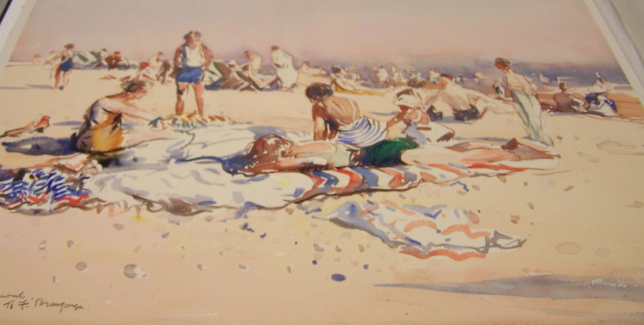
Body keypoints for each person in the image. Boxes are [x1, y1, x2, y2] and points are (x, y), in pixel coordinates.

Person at [235, 133, 556, 176]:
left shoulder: (304, 153)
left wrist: (261, 169)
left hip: (385, 156)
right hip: (383, 147)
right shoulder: (309, 142)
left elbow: (308, 163)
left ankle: (515, 155)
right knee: (450, 150)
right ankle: (510, 149)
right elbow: (309, 156)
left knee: (455, 158)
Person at [74, 79, 167, 154]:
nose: (145, 94)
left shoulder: (109, 99)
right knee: (153, 135)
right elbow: (137, 113)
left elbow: (133, 117)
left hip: (85, 140)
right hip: (98, 143)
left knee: (138, 133)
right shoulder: (112, 103)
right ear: (137, 91)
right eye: (144, 91)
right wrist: (158, 120)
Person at [306, 82, 387, 147]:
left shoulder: (319, 107)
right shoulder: (347, 100)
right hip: (370, 129)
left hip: (353, 138)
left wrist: (317, 145)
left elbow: (319, 130)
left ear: (314, 97)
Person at [494, 57, 552, 146]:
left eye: (497, 64)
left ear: (502, 65)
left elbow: (527, 88)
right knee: (525, 118)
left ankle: (541, 139)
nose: (496, 66)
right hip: (518, 98)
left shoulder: (516, 76)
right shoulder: (506, 76)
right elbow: (508, 89)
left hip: (525, 97)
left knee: (532, 117)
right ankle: (533, 136)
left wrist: (527, 95)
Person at [387, 88, 454, 146]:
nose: (401, 108)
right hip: (423, 136)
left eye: (404, 106)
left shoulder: (418, 113)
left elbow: (425, 124)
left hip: (438, 134)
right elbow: (391, 122)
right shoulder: (403, 114)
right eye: (401, 106)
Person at [173, 31, 213, 116]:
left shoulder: (202, 47)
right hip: (184, 72)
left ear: (196, 38)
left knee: (199, 97)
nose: (189, 40)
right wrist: (177, 70)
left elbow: (208, 58)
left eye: (191, 38)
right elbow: (176, 62)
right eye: (188, 38)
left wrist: (204, 67)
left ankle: (201, 116)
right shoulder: (180, 48)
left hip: (197, 71)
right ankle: (178, 117)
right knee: (181, 97)